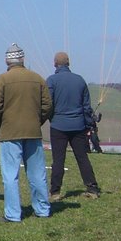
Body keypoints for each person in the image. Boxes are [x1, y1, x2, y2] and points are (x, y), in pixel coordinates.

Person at [0, 43, 52, 222]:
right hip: (33, 131)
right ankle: (42, 209)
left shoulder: (1, 80)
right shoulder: (38, 79)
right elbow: (47, 105)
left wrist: (0, 125)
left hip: (10, 132)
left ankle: (13, 213)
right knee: (37, 173)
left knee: (10, 175)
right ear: (22, 59)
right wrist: (37, 121)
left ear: (7, 61)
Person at [46, 52, 101, 201]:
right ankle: (92, 188)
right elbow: (86, 106)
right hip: (78, 125)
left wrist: (51, 118)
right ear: (68, 63)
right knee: (82, 158)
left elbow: (48, 104)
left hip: (58, 125)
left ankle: (55, 191)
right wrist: (89, 124)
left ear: (55, 63)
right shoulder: (80, 80)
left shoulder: (51, 81)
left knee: (58, 160)